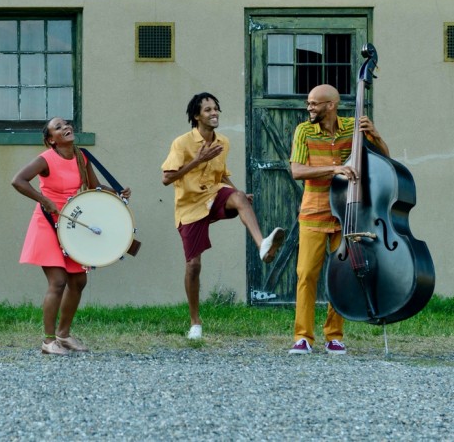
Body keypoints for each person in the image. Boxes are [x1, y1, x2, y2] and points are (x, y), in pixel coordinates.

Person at [162, 92, 285, 340]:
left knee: (238, 197)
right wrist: (198, 161)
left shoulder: (223, 142)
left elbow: (221, 176)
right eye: (207, 110)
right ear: (196, 116)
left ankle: (262, 245)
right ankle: (195, 322)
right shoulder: (181, 143)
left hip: (214, 194)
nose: (214, 112)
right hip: (190, 205)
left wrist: (237, 193)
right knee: (193, 265)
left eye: (216, 108)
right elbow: (167, 178)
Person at [11, 117, 131, 355]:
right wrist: (44, 200)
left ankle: (63, 336)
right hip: (47, 223)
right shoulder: (46, 159)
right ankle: (48, 341)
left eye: (66, 124)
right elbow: (18, 181)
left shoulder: (81, 156)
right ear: (50, 140)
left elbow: (93, 187)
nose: (65, 127)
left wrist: (118, 193)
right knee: (58, 282)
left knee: (78, 281)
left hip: (73, 225)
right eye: (58, 127)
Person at [288, 84, 389, 355]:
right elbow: (297, 170)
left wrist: (376, 136)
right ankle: (303, 337)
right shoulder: (304, 131)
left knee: (342, 276)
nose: (309, 107)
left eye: (314, 103)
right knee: (306, 274)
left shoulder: (353, 128)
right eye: (308, 103)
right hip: (314, 211)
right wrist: (335, 168)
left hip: (347, 214)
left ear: (330, 105)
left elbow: (384, 161)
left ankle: (334, 335)